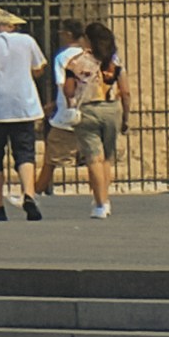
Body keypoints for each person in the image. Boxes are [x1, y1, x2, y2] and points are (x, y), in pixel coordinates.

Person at [0, 8, 48, 220]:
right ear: (11, 26)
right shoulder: (27, 40)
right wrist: (24, 73)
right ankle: (29, 194)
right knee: (25, 153)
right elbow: (40, 67)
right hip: (23, 105)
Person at [45, 22, 120, 212]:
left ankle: (100, 204)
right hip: (112, 109)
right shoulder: (113, 61)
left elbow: (68, 89)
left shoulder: (76, 61)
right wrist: (125, 115)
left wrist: (68, 102)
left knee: (94, 157)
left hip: (87, 110)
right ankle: (105, 199)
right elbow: (125, 91)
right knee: (106, 158)